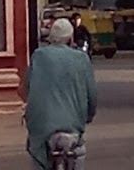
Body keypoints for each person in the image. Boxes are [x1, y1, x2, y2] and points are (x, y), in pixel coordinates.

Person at [25, 18, 98, 170]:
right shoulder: (81, 58)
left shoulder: (39, 56)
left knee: (38, 158)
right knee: (78, 152)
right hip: (72, 126)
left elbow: (26, 88)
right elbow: (92, 95)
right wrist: (89, 116)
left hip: (42, 127)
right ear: (70, 38)